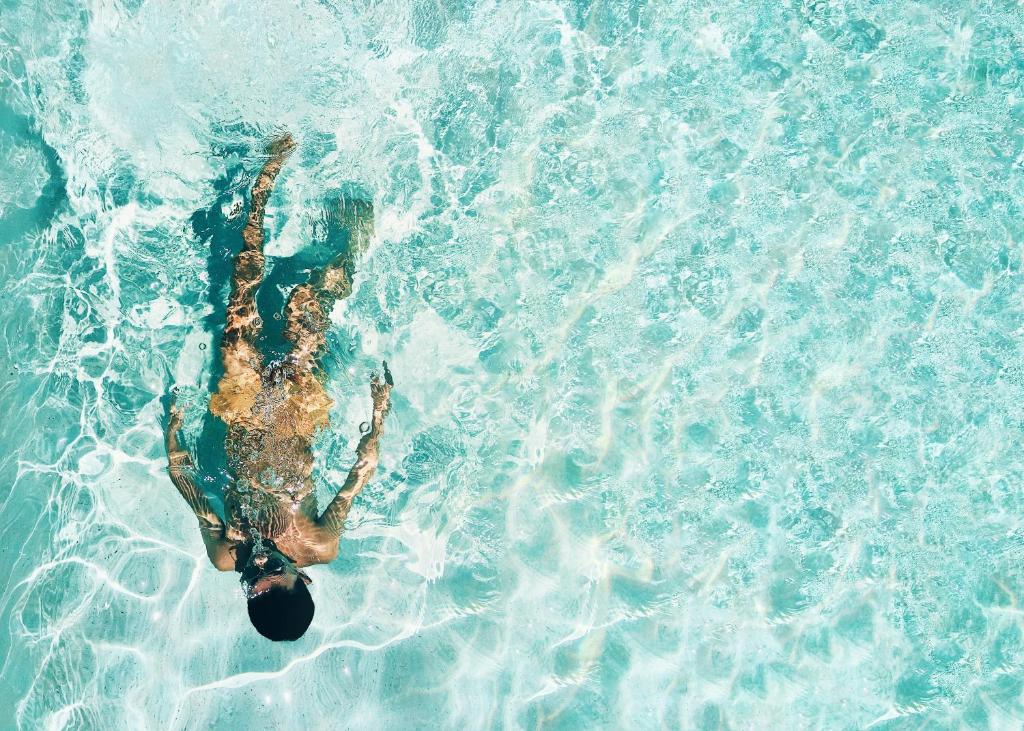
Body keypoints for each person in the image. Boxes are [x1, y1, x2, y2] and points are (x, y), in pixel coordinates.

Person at [164, 133, 392, 641]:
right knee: (311, 298)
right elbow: (359, 475)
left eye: (252, 581)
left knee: (239, 304)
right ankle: (350, 232)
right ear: (302, 576)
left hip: (241, 410)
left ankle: (263, 188)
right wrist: (379, 415)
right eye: (275, 572)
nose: (258, 564)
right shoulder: (319, 542)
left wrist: (173, 433)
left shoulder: (228, 556)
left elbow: (190, 489)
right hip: (296, 409)